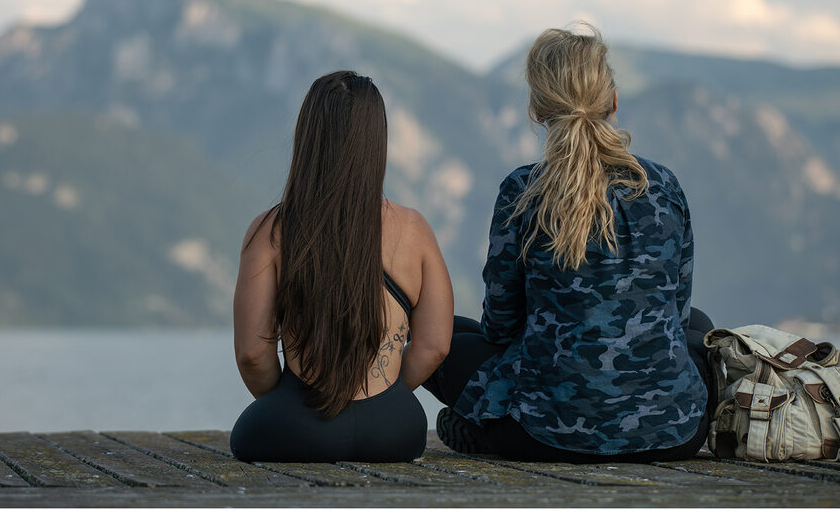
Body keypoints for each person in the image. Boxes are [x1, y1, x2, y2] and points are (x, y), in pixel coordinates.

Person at [423, 26, 716, 462]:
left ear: (538, 110)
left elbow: (501, 324)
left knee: (442, 335)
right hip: (674, 432)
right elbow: (675, 310)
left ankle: (485, 424)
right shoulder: (663, 185)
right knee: (699, 327)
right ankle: (487, 423)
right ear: (613, 100)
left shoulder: (524, 190)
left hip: (541, 433)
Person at [230, 70, 454, 463]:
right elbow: (435, 345)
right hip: (396, 429)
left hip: (298, 425)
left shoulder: (271, 230)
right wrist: (386, 397)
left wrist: (285, 406)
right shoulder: (415, 229)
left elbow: (252, 354)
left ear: (308, 137)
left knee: (244, 436)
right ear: (377, 143)